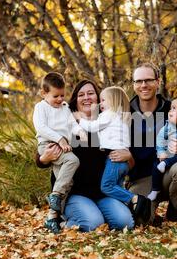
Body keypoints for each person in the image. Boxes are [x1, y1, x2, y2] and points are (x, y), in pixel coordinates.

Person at [36, 80, 135, 232]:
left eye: (91, 93)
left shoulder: (110, 121)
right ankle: (63, 220)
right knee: (92, 224)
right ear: (75, 99)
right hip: (76, 193)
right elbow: (42, 156)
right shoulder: (66, 121)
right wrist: (44, 158)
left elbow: (130, 164)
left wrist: (128, 155)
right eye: (81, 95)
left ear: (99, 98)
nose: (87, 97)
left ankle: (97, 212)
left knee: (125, 223)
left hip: (103, 192)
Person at [123, 62, 177, 224]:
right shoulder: (125, 113)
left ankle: (174, 212)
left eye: (148, 80)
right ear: (134, 85)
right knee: (139, 221)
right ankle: (152, 214)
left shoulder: (173, 109)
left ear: (158, 82)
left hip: (169, 173)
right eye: (138, 81)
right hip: (141, 180)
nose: (143, 85)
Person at [77, 86, 151, 224]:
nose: (100, 104)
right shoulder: (120, 117)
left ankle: (135, 199)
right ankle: (126, 206)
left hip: (115, 160)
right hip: (120, 163)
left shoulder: (109, 114)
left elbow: (93, 127)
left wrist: (79, 120)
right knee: (116, 188)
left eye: (103, 100)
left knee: (107, 187)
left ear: (113, 101)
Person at [32, 72, 87, 233]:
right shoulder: (41, 107)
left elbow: (72, 124)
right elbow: (41, 127)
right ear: (44, 93)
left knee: (66, 182)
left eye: (62, 95)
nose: (60, 99)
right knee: (73, 161)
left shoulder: (64, 108)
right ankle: (55, 196)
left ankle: (52, 217)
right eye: (55, 96)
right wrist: (60, 140)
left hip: (62, 145)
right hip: (48, 145)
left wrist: (80, 131)